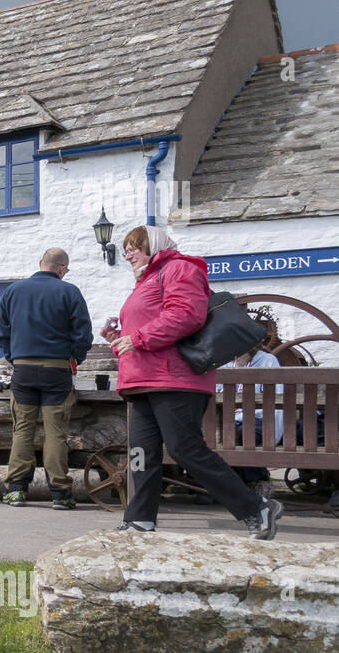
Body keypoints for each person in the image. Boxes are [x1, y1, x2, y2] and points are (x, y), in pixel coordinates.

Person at [103, 225, 284, 539]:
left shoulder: (179, 269)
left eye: (135, 246)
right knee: (141, 452)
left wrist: (140, 337)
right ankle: (139, 519)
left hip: (176, 379)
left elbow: (186, 315)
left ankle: (256, 508)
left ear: (154, 245)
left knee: (185, 450)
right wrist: (120, 339)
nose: (128, 254)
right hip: (145, 379)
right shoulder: (146, 280)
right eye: (126, 248)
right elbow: (152, 328)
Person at [0, 248, 94, 509]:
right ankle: (60, 493)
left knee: (22, 430)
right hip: (57, 369)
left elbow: (1, 333)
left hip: (24, 369)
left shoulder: (13, 291)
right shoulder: (69, 291)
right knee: (56, 433)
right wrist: (74, 358)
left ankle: (15, 490)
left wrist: (14, 356)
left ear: (41, 263)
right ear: (62, 268)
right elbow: (83, 335)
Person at [221, 345, 284, 499]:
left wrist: (241, 413)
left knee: (245, 431)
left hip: (262, 421)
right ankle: (219, 483)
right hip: (228, 420)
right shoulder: (224, 362)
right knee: (220, 431)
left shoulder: (268, 361)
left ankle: (256, 481)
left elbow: (275, 403)